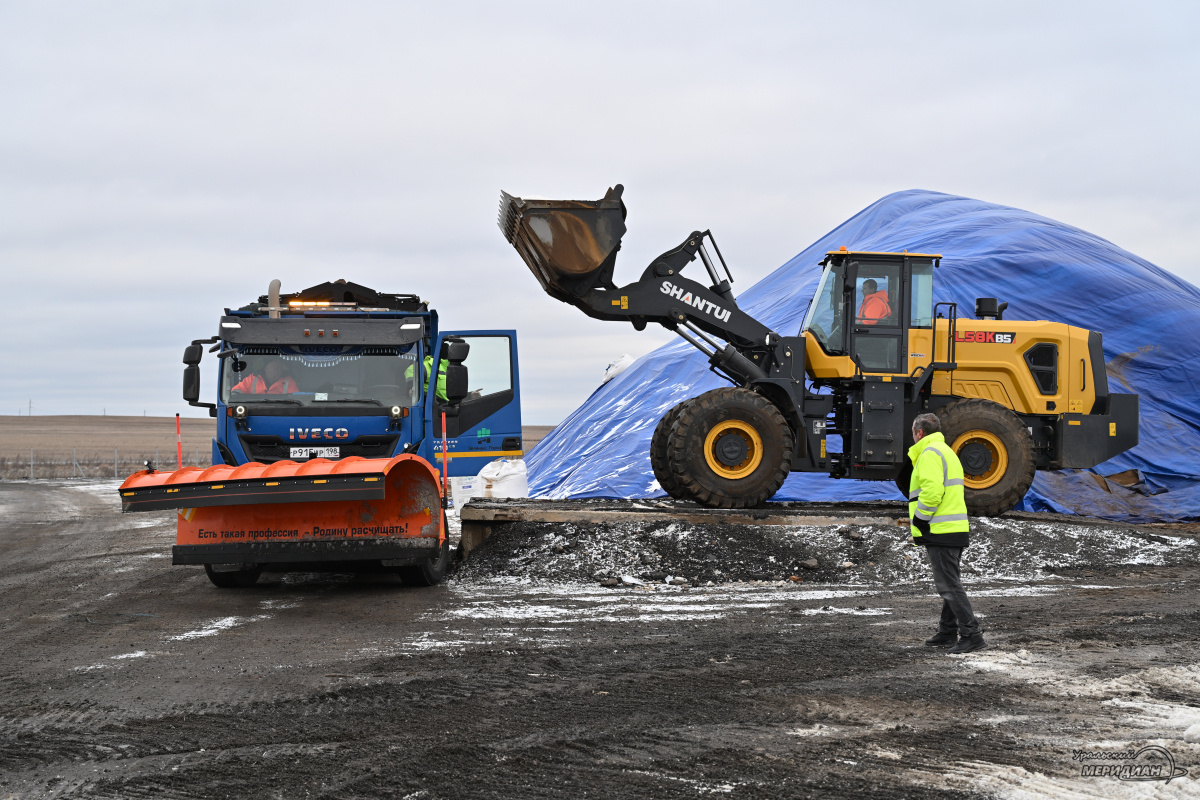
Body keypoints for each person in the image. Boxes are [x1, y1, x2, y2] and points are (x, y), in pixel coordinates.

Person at [907, 412, 987, 654]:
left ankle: (971, 634)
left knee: (949, 585)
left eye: (913, 432)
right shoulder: (946, 451)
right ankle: (947, 631)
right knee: (950, 583)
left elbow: (932, 493)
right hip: (953, 527)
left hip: (940, 529)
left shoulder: (930, 454)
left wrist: (920, 520)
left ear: (919, 433)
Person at [231, 361, 297, 395]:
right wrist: (235, 395)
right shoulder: (253, 379)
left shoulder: (289, 382)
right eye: (275, 367)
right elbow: (237, 389)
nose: (279, 370)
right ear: (266, 368)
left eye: (280, 367)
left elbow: (296, 400)